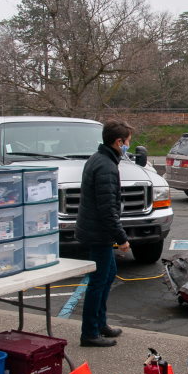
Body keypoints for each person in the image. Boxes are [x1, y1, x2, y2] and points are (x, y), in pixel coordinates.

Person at [75, 120, 133, 347]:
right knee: (98, 281)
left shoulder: (99, 159)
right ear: (118, 142)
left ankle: (100, 323)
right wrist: (122, 239)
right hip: (98, 233)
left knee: (109, 274)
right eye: (128, 142)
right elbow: (107, 209)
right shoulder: (106, 166)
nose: (128, 145)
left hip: (96, 230)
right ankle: (89, 333)